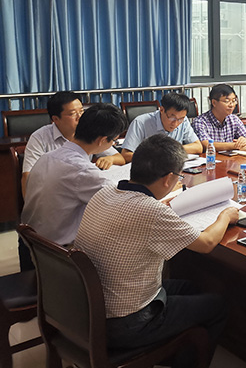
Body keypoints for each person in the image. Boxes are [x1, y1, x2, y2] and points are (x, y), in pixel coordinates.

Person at [75, 135, 237, 368]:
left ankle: (177, 352)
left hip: (91, 309)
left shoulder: (105, 193)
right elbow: (207, 243)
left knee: (190, 288)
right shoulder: (151, 212)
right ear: (168, 178)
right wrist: (225, 216)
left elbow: (138, 213)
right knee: (218, 306)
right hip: (127, 323)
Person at [21, 104, 128, 251]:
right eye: (113, 141)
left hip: (32, 242)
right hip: (59, 252)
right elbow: (122, 206)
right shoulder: (83, 171)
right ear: (102, 140)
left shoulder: (47, 157)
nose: (113, 144)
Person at [21, 91, 123, 195]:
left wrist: (110, 159)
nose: (80, 117)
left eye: (82, 111)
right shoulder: (40, 137)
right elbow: (28, 177)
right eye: (73, 113)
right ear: (55, 119)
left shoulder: (88, 132)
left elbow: (120, 159)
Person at [122, 92, 203, 162]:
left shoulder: (184, 120)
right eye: (172, 118)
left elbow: (198, 147)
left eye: (180, 119)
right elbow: (126, 155)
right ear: (161, 110)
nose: (175, 123)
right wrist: (155, 156)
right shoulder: (141, 122)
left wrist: (171, 150)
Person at [191, 85, 246, 152]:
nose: (231, 105)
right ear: (214, 103)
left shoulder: (234, 119)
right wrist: (236, 146)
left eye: (234, 101)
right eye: (227, 101)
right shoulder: (200, 122)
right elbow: (206, 144)